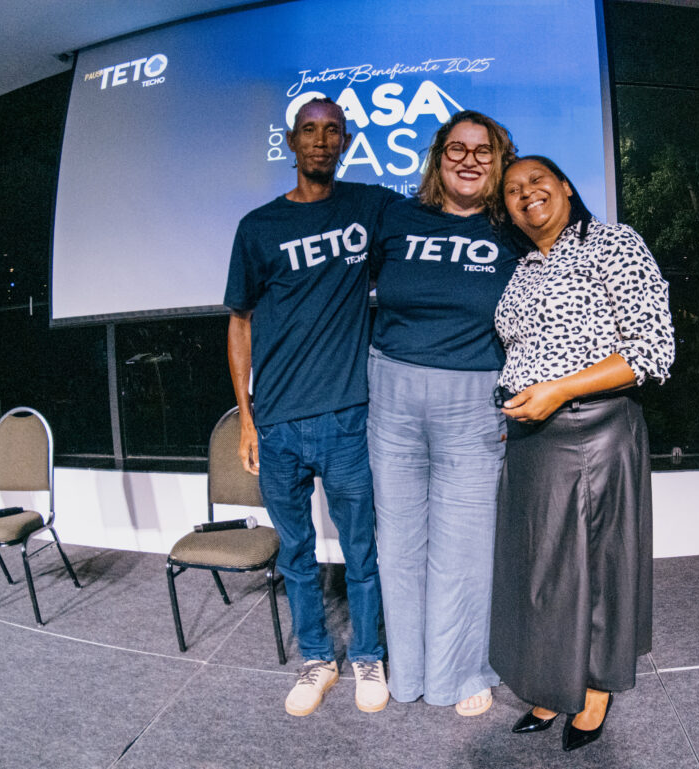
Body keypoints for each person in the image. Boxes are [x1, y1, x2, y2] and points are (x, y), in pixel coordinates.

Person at [490, 156, 675, 751]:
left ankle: (594, 694)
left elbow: (653, 351)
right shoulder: (524, 269)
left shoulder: (613, 244)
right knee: (540, 570)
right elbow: (526, 351)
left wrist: (557, 391)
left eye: (537, 181)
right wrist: (521, 406)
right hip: (531, 439)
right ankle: (552, 683)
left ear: (566, 187)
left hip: (592, 429)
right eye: (513, 190)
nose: (526, 194)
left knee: (597, 570)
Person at [224, 97, 401, 717]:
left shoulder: (371, 205)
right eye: (309, 131)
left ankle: (369, 658)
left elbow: (432, 226)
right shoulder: (258, 227)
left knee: (362, 551)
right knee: (296, 554)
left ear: (345, 141)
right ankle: (316, 661)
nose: (321, 141)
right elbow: (240, 322)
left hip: (349, 417)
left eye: (332, 132)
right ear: (292, 142)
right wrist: (246, 418)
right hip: (275, 426)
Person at [367, 110, 520, 716]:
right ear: (438, 157)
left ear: (500, 161)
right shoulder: (395, 215)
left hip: (474, 400)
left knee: (463, 547)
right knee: (399, 545)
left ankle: (461, 673)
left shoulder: (513, 231)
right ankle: (408, 673)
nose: (469, 159)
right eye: (457, 148)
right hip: (392, 394)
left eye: (484, 151)